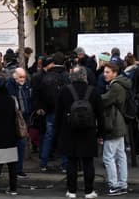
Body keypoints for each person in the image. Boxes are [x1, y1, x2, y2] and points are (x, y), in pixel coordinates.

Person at [55, 65, 102, 199]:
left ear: (71, 77)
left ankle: (71, 191)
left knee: (72, 162)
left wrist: (58, 133)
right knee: (88, 162)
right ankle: (89, 191)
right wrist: (100, 133)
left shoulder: (64, 90)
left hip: (69, 131)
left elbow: (58, 113)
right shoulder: (93, 91)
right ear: (85, 76)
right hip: (89, 131)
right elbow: (100, 114)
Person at [33, 53, 68, 172]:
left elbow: (40, 94)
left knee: (48, 137)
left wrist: (41, 107)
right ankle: (65, 164)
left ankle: (43, 163)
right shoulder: (65, 76)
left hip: (50, 111)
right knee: (63, 137)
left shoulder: (46, 76)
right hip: (63, 112)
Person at [101, 62, 130, 196]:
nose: (104, 74)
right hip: (120, 122)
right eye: (104, 72)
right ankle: (123, 184)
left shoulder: (115, 86)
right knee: (120, 155)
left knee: (108, 157)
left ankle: (114, 185)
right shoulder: (121, 84)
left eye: (107, 72)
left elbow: (104, 101)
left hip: (113, 123)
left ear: (114, 73)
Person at [7, 67, 31, 178]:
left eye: (24, 77)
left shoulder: (25, 85)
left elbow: (28, 99)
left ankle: (18, 169)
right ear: (15, 77)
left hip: (23, 118)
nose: (23, 79)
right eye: (21, 77)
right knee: (15, 144)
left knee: (21, 144)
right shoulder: (10, 86)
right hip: (13, 119)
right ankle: (14, 169)